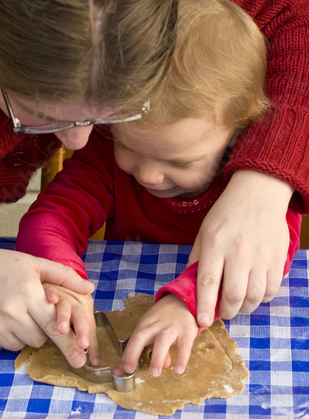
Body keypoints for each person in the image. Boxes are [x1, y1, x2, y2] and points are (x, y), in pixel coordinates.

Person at [0, 0, 307, 370]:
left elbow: (291, 13)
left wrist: (264, 181)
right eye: (42, 114)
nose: (80, 140)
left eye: (115, 112)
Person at [15, 0, 302, 376]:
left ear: (239, 135)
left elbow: (251, 267)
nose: (147, 174)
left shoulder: (258, 187)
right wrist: (60, 277)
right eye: (128, 147)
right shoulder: (104, 152)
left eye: (179, 163)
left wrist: (186, 305)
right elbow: (51, 216)